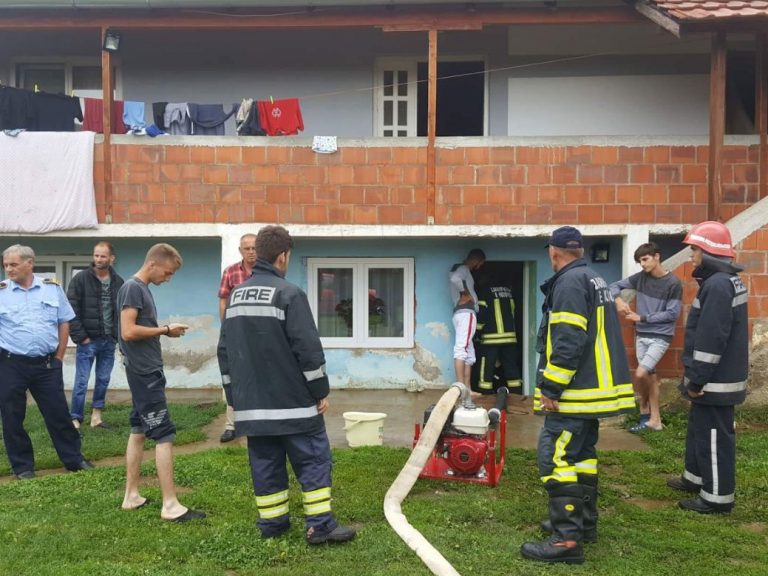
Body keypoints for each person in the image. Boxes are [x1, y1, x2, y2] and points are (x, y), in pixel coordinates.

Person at [217, 225, 356, 544]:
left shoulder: (236, 296)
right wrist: (320, 391)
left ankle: (273, 524)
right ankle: (319, 525)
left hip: (252, 407)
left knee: (265, 464)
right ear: (283, 256)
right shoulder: (289, 294)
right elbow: (307, 350)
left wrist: (233, 395)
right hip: (294, 405)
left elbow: (224, 350)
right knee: (313, 460)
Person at [521, 227, 633, 565]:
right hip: (592, 390)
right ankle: (583, 523)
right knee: (582, 456)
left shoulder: (569, 283)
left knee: (555, 457)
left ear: (553, 252)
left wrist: (551, 386)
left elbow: (568, 339)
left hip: (574, 392)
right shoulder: (593, 278)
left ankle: (566, 540)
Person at [117, 243, 205, 522]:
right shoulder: (133, 288)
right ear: (152, 264)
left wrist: (163, 331)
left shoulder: (139, 289)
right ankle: (170, 505)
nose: (168, 278)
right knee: (163, 434)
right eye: (167, 273)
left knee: (138, 429)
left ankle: (131, 495)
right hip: (145, 373)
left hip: (142, 370)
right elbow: (128, 331)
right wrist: (165, 330)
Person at [667, 221, 748, 514]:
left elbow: (711, 338)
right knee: (699, 428)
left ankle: (716, 498)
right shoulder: (724, 281)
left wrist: (697, 379)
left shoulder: (717, 285)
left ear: (709, 251)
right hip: (716, 377)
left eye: (695, 249)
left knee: (714, 435)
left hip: (715, 380)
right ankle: (695, 478)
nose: (691, 255)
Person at [0, 244, 93, 480]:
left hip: (47, 365)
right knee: (12, 416)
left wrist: (59, 356)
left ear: (29, 263)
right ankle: (23, 467)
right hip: (11, 364)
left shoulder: (51, 288)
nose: (8, 269)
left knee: (58, 413)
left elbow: (64, 322)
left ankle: (74, 459)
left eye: (13, 264)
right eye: (6, 265)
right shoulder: (1, 292)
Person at [609, 242, 682, 432]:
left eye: (645, 259)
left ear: (657, 256)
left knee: (641, 373)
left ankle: (645, 409)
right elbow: (613, 286)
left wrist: (641, 318)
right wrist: (618, 300)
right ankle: (653, 418)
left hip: (660, 336)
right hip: (641, 335)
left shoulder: (673, 283)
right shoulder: (641, 278)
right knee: (649, 376)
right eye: (639, 261)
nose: (642, 264)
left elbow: (673, 313)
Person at [67, 241, 125, 431]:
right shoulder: (80, 279)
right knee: (81, 380)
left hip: (109, 340)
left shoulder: (119, 282)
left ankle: (96, 417)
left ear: (111, 258)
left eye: (103, 256)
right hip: (88, 341)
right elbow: (70, 310)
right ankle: (75, 418)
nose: (99, 259)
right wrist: (81, 337)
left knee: (103, 379)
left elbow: (122, 312)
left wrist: (117, 337)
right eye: (96, 255)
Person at [216, 233, 258, 443]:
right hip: (236, 333)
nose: (251, 252)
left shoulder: (266, 272)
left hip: (259, 334)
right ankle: (231, 426)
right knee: (232, 378)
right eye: (246, 248)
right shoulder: (231, 272)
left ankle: (257, 423)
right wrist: (227, 328)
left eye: (254, 248)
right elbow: (223, 300)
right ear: (240, 251)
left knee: (258, 378)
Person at [475, 282, 522, 394]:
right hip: (510, 337)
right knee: (511, 365)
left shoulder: (485, 292)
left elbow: (482, 313)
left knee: (487, 366)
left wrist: (477, 332)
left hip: (491, 338)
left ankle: (485, 392)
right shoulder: (508, 291)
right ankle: (516, 392)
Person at [449, 248, 485, 386]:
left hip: (461, 313)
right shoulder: (463, 269)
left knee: (468, 352)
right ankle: (461, 386)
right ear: (476, 260)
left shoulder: (458, 268)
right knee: (462, 349)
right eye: (480, 264)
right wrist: (465, 293)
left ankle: (467, 388)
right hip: (466, 312)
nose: (479, 267)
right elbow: (454, 279)